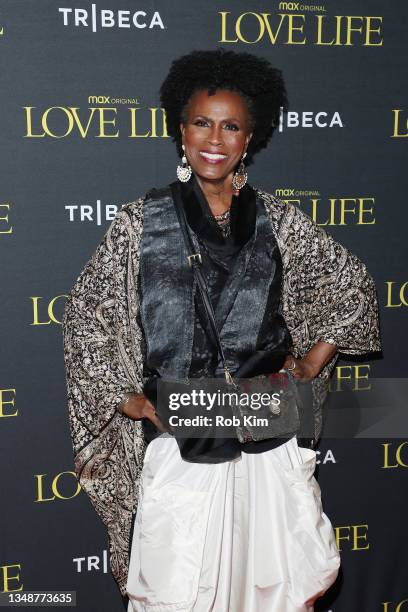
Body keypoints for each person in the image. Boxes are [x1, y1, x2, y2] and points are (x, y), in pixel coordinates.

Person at [62, 49, 381, 611]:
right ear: (180, 131)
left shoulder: (279, 221)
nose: (215, 138)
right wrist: (129, 399)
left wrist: (308, 364)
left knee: (271, 590)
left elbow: (350, 288)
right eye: (202, 122)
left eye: (231, 125)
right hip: (183, 432)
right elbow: (89, 318)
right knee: (176, 590)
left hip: (266, 429)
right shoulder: (141, 222)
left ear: (250, 137)